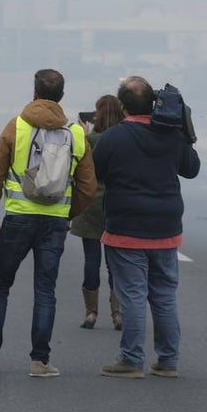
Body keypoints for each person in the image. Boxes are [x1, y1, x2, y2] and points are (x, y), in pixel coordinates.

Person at [0, 69, 96, 377]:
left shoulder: (16, 126)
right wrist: (67, 213)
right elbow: (88, 186)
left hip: (19, 219)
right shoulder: (76, 133)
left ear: (34, 93)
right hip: (54, 224)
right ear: (61, 96)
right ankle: (40, 361)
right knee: (45, 289)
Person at [93, 76, 201, 378]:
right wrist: (186, 133)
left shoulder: (113, 138)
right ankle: (168, 360)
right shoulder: (171, 135)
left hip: (126, 227)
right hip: (166, 226)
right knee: (164, 295)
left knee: (133, 295)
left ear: (123, 105)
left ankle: (131, 359)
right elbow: (191, 169)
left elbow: (95, 175)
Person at [70, 94, 125, 330]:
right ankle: (117, 313)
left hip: (90, 205)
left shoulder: (89, 139)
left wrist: (82, 136)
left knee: (91, 260)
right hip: (116, 206)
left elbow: (76, 169)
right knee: (115, 263)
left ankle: (91, 313)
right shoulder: (124, 138)